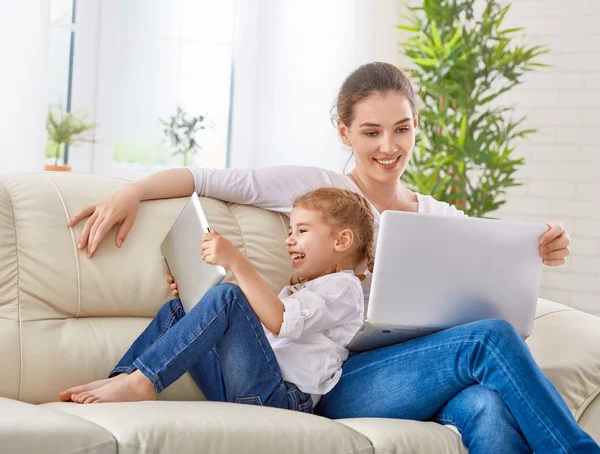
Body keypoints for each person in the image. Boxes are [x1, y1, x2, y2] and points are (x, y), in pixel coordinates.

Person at [64, 62, 597, 452]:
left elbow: (495, 282)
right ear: (344, 132)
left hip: (421, 369)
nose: (389, 146)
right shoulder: (321, 191)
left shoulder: (441, 216)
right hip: (344, 376)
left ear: (417, 126)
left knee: (488, 404)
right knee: (489, 340)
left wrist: (541, 248)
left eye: (402, 128)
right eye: (370, 132)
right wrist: (133, 191)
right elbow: (206, 178)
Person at [59, 188, 373, 413]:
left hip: (281, 398)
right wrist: (197, 301)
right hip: (245, 386)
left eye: (301, 231)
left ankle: (143, 382)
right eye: (290, 231)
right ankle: (125, 377)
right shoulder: (302, 289)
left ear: (342, 240)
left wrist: (238, 263)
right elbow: (257, 335)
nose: (289, 240)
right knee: (181, 310)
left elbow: (280, 321)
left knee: (228, 295)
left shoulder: (343, 289)